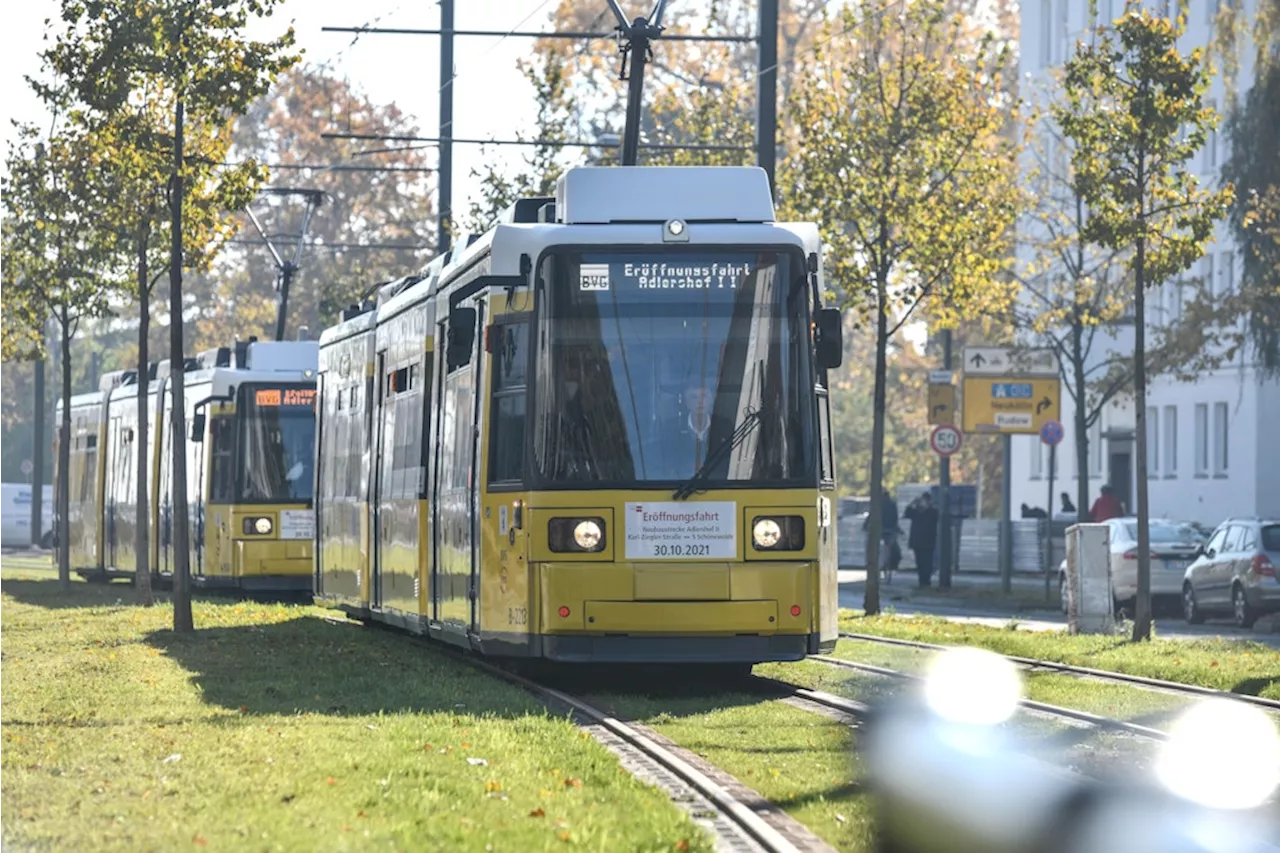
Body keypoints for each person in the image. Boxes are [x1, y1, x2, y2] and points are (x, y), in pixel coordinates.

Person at [904, 492, 940, 587]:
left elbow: (937, 517)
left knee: (927, 562)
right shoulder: (916, 512)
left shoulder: (932, 512)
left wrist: (929, 506)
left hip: (928, 542)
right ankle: (922, 581)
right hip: (917, 542)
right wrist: (912, 503)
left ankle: (926, 580)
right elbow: (907, 513)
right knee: (920, 562)